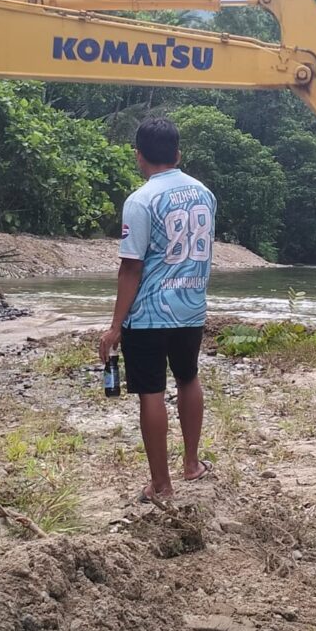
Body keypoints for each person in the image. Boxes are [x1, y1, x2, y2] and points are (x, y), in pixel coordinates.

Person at [99, 117, 216, 502]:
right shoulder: (205, 194)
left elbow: (131, 266)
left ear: (139, 156)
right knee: (188, 378)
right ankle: (192, 464)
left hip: (149, 314)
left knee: (151, 392)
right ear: (178, 154)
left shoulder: (141, 200)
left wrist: (115, 326)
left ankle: (161, 485)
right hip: (191, 309)